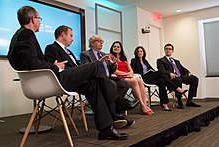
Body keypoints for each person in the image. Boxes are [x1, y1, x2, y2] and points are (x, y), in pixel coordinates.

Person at [8, 6, 136, 140]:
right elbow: (32, 64)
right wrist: (55, 67)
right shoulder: (26, 34)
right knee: (95, 67)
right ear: (33, 19)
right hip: (51, 81)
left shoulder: (22, 34)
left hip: (50, 79)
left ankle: (105, 129)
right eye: (39, 19)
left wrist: (53, 65)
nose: (40, 22)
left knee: (93, 85)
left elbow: (33, 62)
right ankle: (118, 101)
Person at [45, 27, 138, 129]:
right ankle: (118, 104)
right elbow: (57, 69)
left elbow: (78, 67)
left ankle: (108, 125)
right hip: (67, 81)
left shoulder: (69, 52)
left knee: (97, 84)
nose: (72, 39)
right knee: (96, 69)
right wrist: (96, 63)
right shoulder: (51, 48)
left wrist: (112, 64)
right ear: (63, 35)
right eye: (71, 35)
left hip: (81, 80)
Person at [80, 35, 137, 128]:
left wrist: (114, 64)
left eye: (102, 41)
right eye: (99, 41)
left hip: (108, 78)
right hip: (96, 80)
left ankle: (116, 108)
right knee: (112, 85)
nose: (101, 43)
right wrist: (99, 61)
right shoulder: (85, 54)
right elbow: (87, 68)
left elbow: (110, 69)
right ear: (92, 43)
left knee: (124, 84)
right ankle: (118, 111)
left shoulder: (103, 54)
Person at [131, 46, 188, 111]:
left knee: (161, 80)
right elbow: (132, 71)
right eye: (138, 51)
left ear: (143, 52)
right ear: (136, 53)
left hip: (149, 77)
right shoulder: (134, 60)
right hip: (141, 78)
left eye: (141, 51)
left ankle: (164, 103)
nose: (139, 53)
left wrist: (153, 72)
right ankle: (176, 88)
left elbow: (151, 69)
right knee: (160, 72)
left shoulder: (145, 61)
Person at [110, 41, 154, 115]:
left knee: (139, 80)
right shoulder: (111, 57)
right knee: (134, 81)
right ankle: (142, 105)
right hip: (118, 77)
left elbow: (131, 70)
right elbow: (113, 71)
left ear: (121, 49)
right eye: (114, 46)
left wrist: (129, 73)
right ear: (112, 48)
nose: (116, 48)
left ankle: (145, 105)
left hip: (127, 76)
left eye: (118, 46)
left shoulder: (124, 57)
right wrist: (126, 74)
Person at [157, 43, 201, 108]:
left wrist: (188, 72)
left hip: (180, 76)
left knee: (194, 79)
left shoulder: (176, 61)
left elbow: (182, 68)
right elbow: (161, 70)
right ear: (164, 50)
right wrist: (169, 73)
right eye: (166, 49)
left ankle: (190, 100)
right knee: (178, 80)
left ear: (172, 51)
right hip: (171, 78)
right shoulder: (160, 60)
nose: (168, 50)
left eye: (169, 49)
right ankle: (179, 100)